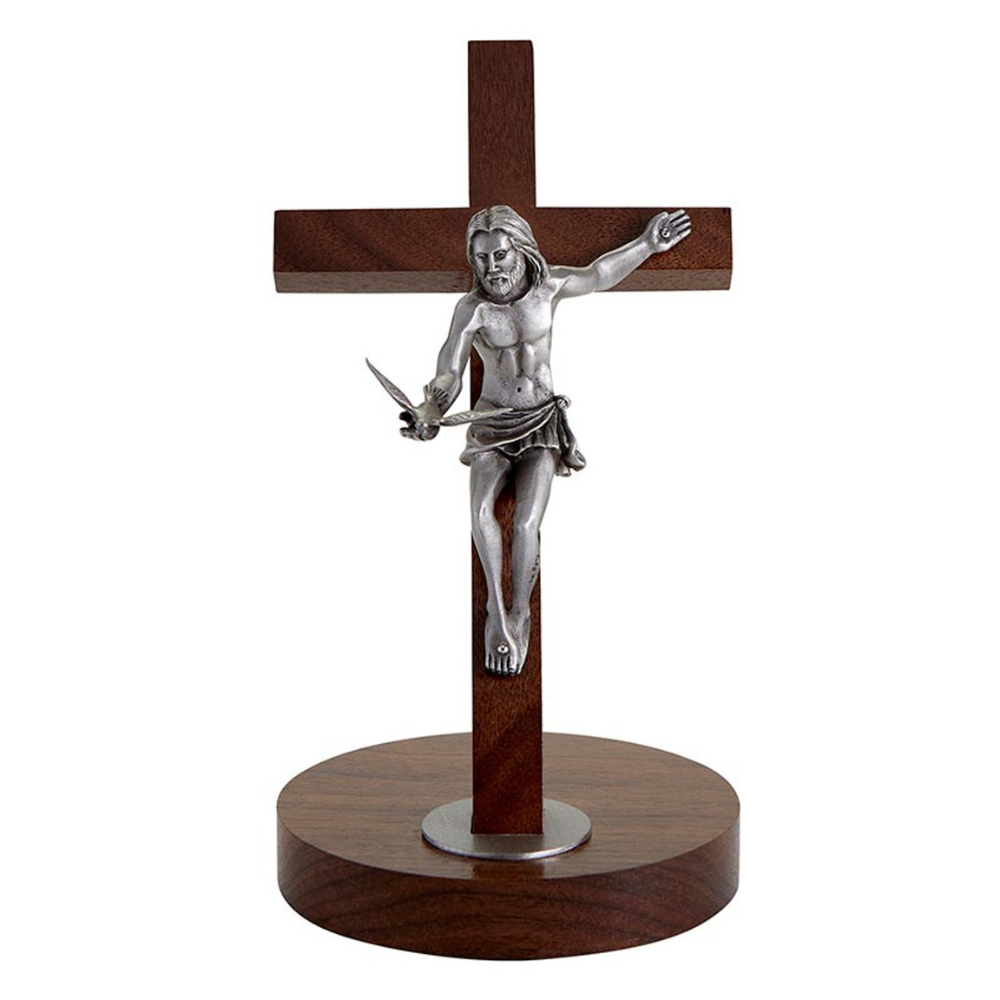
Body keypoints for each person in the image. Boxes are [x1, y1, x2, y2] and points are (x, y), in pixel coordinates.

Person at [402, 205, 691, 676]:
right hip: (492, 421)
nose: (491, 268)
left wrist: (646, 244)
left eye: (499, 255)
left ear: (520, 250)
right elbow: (449, 369)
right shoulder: (473, 310)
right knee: (480, 512)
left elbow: (598, 275)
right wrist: (430, 409)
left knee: (526, 522)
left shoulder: (548, 288)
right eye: (481, 259)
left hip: (540, 421)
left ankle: (520, 611)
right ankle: (496, 611)